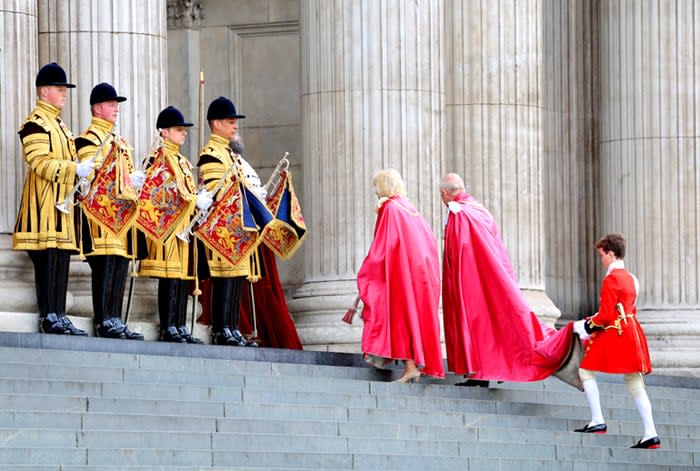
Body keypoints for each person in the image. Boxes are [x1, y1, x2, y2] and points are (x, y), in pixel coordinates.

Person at [440, 173, 574, 386]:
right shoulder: (479, 209)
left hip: (473, 280)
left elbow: (460, 254)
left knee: (480, 325)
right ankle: (489, 371)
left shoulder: (460, 214)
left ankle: (486, 371)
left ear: (444, 193)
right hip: (492, 277)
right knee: (493, 324)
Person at [13, 63, 87, 336]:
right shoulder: (35, 123)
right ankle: (49, 316)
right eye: (59, 89)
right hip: (42, 206)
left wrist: (82, 175)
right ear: (44, 91)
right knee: (47, 261)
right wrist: (73, 169)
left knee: (61, 260)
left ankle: (60, 314)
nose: (64, 94)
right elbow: (40, 163)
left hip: (61, 206)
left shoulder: (60, 126)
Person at [573, 232, 660, 449]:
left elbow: (605, 316)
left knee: (585, 371)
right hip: (632, 331)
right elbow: (630, 309)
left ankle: (597, 420)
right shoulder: (632, 279)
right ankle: (651, 433)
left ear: (611, 254)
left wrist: (584, 327)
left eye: (603, 254)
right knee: (634, 382)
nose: (601, 259)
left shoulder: (611, 279)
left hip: (615, 331)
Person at [357, 168, 444, 383]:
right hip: (422, 275)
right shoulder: (410, 208)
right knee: (413, 318)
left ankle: (410, 366)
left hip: (401, 275)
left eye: (376, 189)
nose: (376, 194)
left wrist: (367, 272)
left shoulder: (390, 208)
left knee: (398, 318)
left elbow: (382, 247)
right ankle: (412, 365)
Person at [75, 82, 144, 340]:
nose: (116, 108)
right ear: (97, 108)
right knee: (104, 267)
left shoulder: (120, 141)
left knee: (119, 266)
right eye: (111, 104)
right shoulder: (89, 139)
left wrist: (133, 180)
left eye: (117, 105)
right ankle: (104, 320)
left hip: (121, 217)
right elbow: (92, 174)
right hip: (100, 216)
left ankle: (115, 318)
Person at [231, 135, 303, 350]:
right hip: (242, 234)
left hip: (256, 233)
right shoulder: (223, 163)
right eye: (232, 126)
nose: (237, 131)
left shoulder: (244, 165)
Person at [137, 106, 202, 344]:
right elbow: (159, 193)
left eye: (183, 129)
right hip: (166, 226)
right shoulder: (157, 158)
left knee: (182, 277)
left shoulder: (183, 162)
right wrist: (194, 199)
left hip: (183, 226)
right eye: (178, 129)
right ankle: (168, 326)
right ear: (164, 132)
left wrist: (198, 201)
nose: (183, 133)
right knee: (169, 276)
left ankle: (180, 324)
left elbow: (187, 191)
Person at [196, 96, 256, 347]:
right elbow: (217, 191)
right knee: (224, 278)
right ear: (217, 124)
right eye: (231, 122)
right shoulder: (211, 154)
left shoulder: (229, 154)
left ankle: (232, 327)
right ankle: (222, 329)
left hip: (237, 225)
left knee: (236, 278)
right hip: (221, 227)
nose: (235, 126)